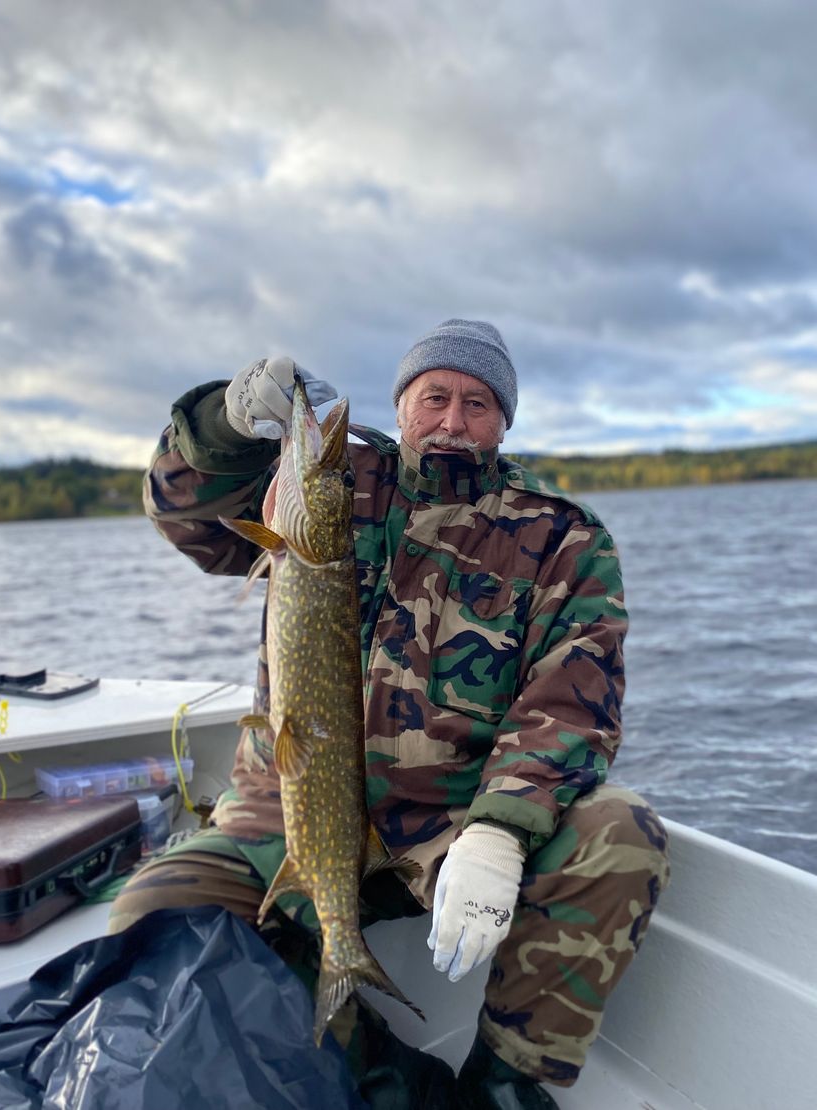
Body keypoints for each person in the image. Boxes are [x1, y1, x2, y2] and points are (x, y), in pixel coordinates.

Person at [108, 319, 670, 1109]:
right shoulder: (338, 487)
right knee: (149, 922)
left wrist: (500, 830)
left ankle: (504, 1091)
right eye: (434, 396)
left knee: (619, 834)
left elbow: (572, 705)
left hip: (448, 826)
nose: (453, 420)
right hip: (285, 810)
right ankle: (381, 1080)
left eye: (477, 404)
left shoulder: (562, 539)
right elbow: (184, 515)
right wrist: (225, 425)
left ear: (504, 421)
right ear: (402, 403)